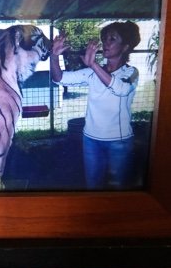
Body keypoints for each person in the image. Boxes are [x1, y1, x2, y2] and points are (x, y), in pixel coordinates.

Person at [50, 21, 141, 190]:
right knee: (93, 188)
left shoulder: (131, 72)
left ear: (125, 47)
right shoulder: (92, 73)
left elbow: (121, 89)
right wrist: (54, 56)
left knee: (119, 190)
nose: (106, 42)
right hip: (91, 140)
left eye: (112, 39)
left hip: (119, 142)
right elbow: (59, 78)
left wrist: (93, 64)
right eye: (105, 38)